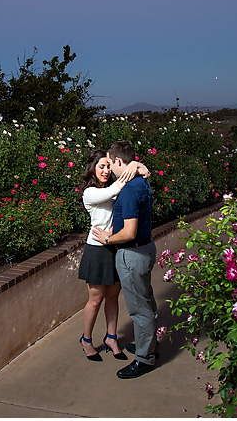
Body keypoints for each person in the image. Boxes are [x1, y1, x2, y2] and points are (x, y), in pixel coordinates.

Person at [91, 140, 158, 379]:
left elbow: (128, 232)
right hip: (146, 248)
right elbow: (141, 171)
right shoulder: (140, 182)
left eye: (110, 163)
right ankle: (149, 345)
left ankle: (144, 358)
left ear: (119, 161)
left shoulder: (129, 190)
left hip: (132, 253)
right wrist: (139, 166)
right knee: (147, 301)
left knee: (140, 309)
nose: (108, 168)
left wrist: (108, 239)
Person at [77, 150, 148, 362]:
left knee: (112, 297)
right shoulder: (90, 192)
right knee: (95, 300)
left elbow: (146, 172)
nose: (106, 171)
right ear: (92, 169)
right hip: (97, 250)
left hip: (115, 246)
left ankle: (111, 337)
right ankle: (86, 340)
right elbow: (116, 188)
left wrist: (135, 165)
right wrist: (132, 166)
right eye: (101, 166)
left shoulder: (113, 187)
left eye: (109, 166)